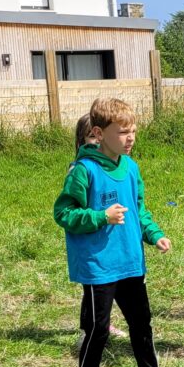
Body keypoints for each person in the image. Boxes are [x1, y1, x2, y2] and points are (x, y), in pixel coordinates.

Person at [53, 97, 179, 367]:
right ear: (98, 132)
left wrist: (154, 234)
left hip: (131, 263)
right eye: (123, 132)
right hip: (99, 267)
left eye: (134, 130)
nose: (131, 137)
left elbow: (140, 209)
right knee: (97, 331)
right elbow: (63, 213)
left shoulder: (131, 167)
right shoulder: (84, 171)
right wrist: (100, 216)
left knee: (142, 324)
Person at [71, 112, 126, 354]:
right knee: (93, 292)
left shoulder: (121, 165)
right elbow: (69, 211)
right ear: (82, 140)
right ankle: (88, 333)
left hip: (112, 244)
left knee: (108, 291)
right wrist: (100, 217)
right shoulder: (80, 169)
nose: (96, 142)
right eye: (90, 138)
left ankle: (100, 326)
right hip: (91, 245)